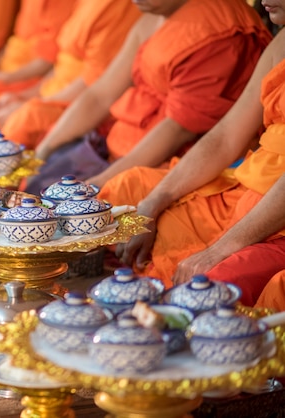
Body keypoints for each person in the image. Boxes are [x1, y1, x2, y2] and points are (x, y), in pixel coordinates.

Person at [97, 0, 285, 308]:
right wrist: (153, 203)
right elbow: (226, 137)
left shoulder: (214, 26)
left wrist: (221, 249)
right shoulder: (281, 43)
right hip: (246, 194)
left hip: (275, 217)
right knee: (130, 204)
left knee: (213, 287)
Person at [23, 0, 272, 196]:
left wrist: (98, 183)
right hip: (115, 145)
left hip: (167, 162)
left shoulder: (216, 32)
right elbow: (101, 93)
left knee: (79, 209)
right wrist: (45, 150)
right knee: (37, 183)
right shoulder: (153, 15)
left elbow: (177, 130)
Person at [0, 0, 142, 148]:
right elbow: (60, 63)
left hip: (79, 102)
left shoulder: (119, 6)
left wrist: (31, 99)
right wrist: (24, 95)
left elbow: (96, 85)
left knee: (21, 119)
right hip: (52, 89)